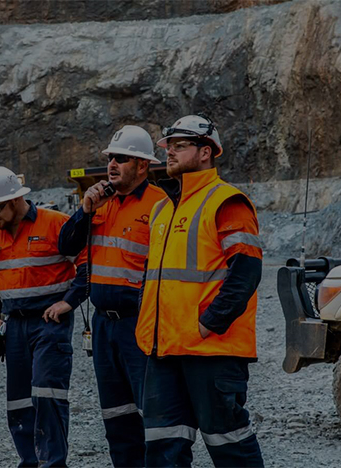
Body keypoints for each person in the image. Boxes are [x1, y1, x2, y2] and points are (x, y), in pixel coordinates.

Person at [135, 115, 265, 467]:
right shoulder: (162, 209)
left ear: (205, 152)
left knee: (229, 444)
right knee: (163, 446)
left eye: (180, 146)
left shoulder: (226, 201)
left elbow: (246, 273)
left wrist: (209, 324)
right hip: (163, 349)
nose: (170, 152)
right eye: (169, 146)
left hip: (211, 350)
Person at [58, 125, 165, 467]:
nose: (112, 164)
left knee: (153, 413)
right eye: (110, 158)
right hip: (104, 326)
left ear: (142, 165)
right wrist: (85, 211)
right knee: (116, 416)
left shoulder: (160, 205)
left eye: (122, 158)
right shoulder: (100, 203)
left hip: (140, 324)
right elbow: (66, 246)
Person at [0, 166, 87, 467]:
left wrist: (69, 303)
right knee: (19, 403)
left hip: (50, 323)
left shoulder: (56, 224)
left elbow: (87, 266)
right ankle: (30, 462)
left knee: (47, 395)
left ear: (14, 201)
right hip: (14, 326)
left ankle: (53, 463)